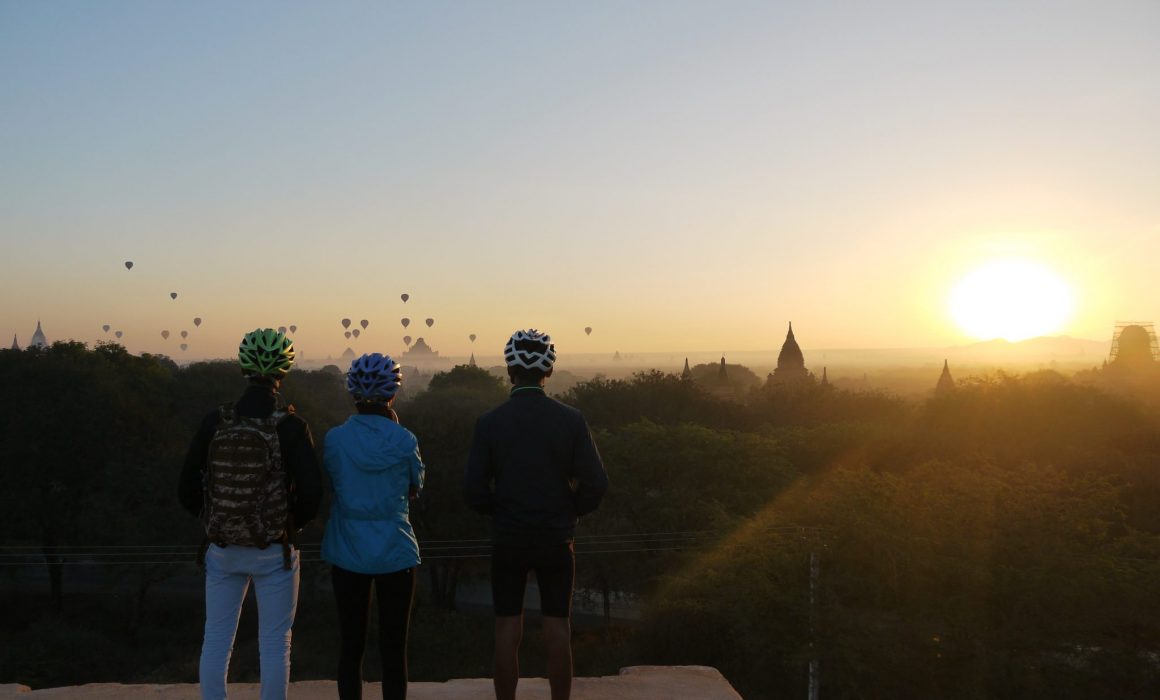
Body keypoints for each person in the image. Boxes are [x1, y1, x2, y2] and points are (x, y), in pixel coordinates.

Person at [464, 329, 608, 700]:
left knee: (507, 629)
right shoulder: (571, 419)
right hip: (556, 537)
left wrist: (501, 510)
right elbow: (596, 484)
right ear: (548, 372)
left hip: (509, 536)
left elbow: (474, 491)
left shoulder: (489, 422)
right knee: (558, 626)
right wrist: (568, 510)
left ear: (509, 371)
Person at [178, 328, 323, 700]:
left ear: (244, 366)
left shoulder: (217, 420)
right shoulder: (290, 426)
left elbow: (186, 488)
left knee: (216, 639)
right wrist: (289, 526)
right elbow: (311, 493)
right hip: (273, 549)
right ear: (284, 371)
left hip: (222, 547)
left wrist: (215, 519)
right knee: (275, 644)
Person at [322, 353, 424, 700]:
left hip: (347, 549)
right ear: (392, 394)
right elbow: (416, 485)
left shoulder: (334, 439)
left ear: (352, 393)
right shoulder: (406, 440)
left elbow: (334, 483)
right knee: (395, 649)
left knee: (351, 646)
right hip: (396, 550)